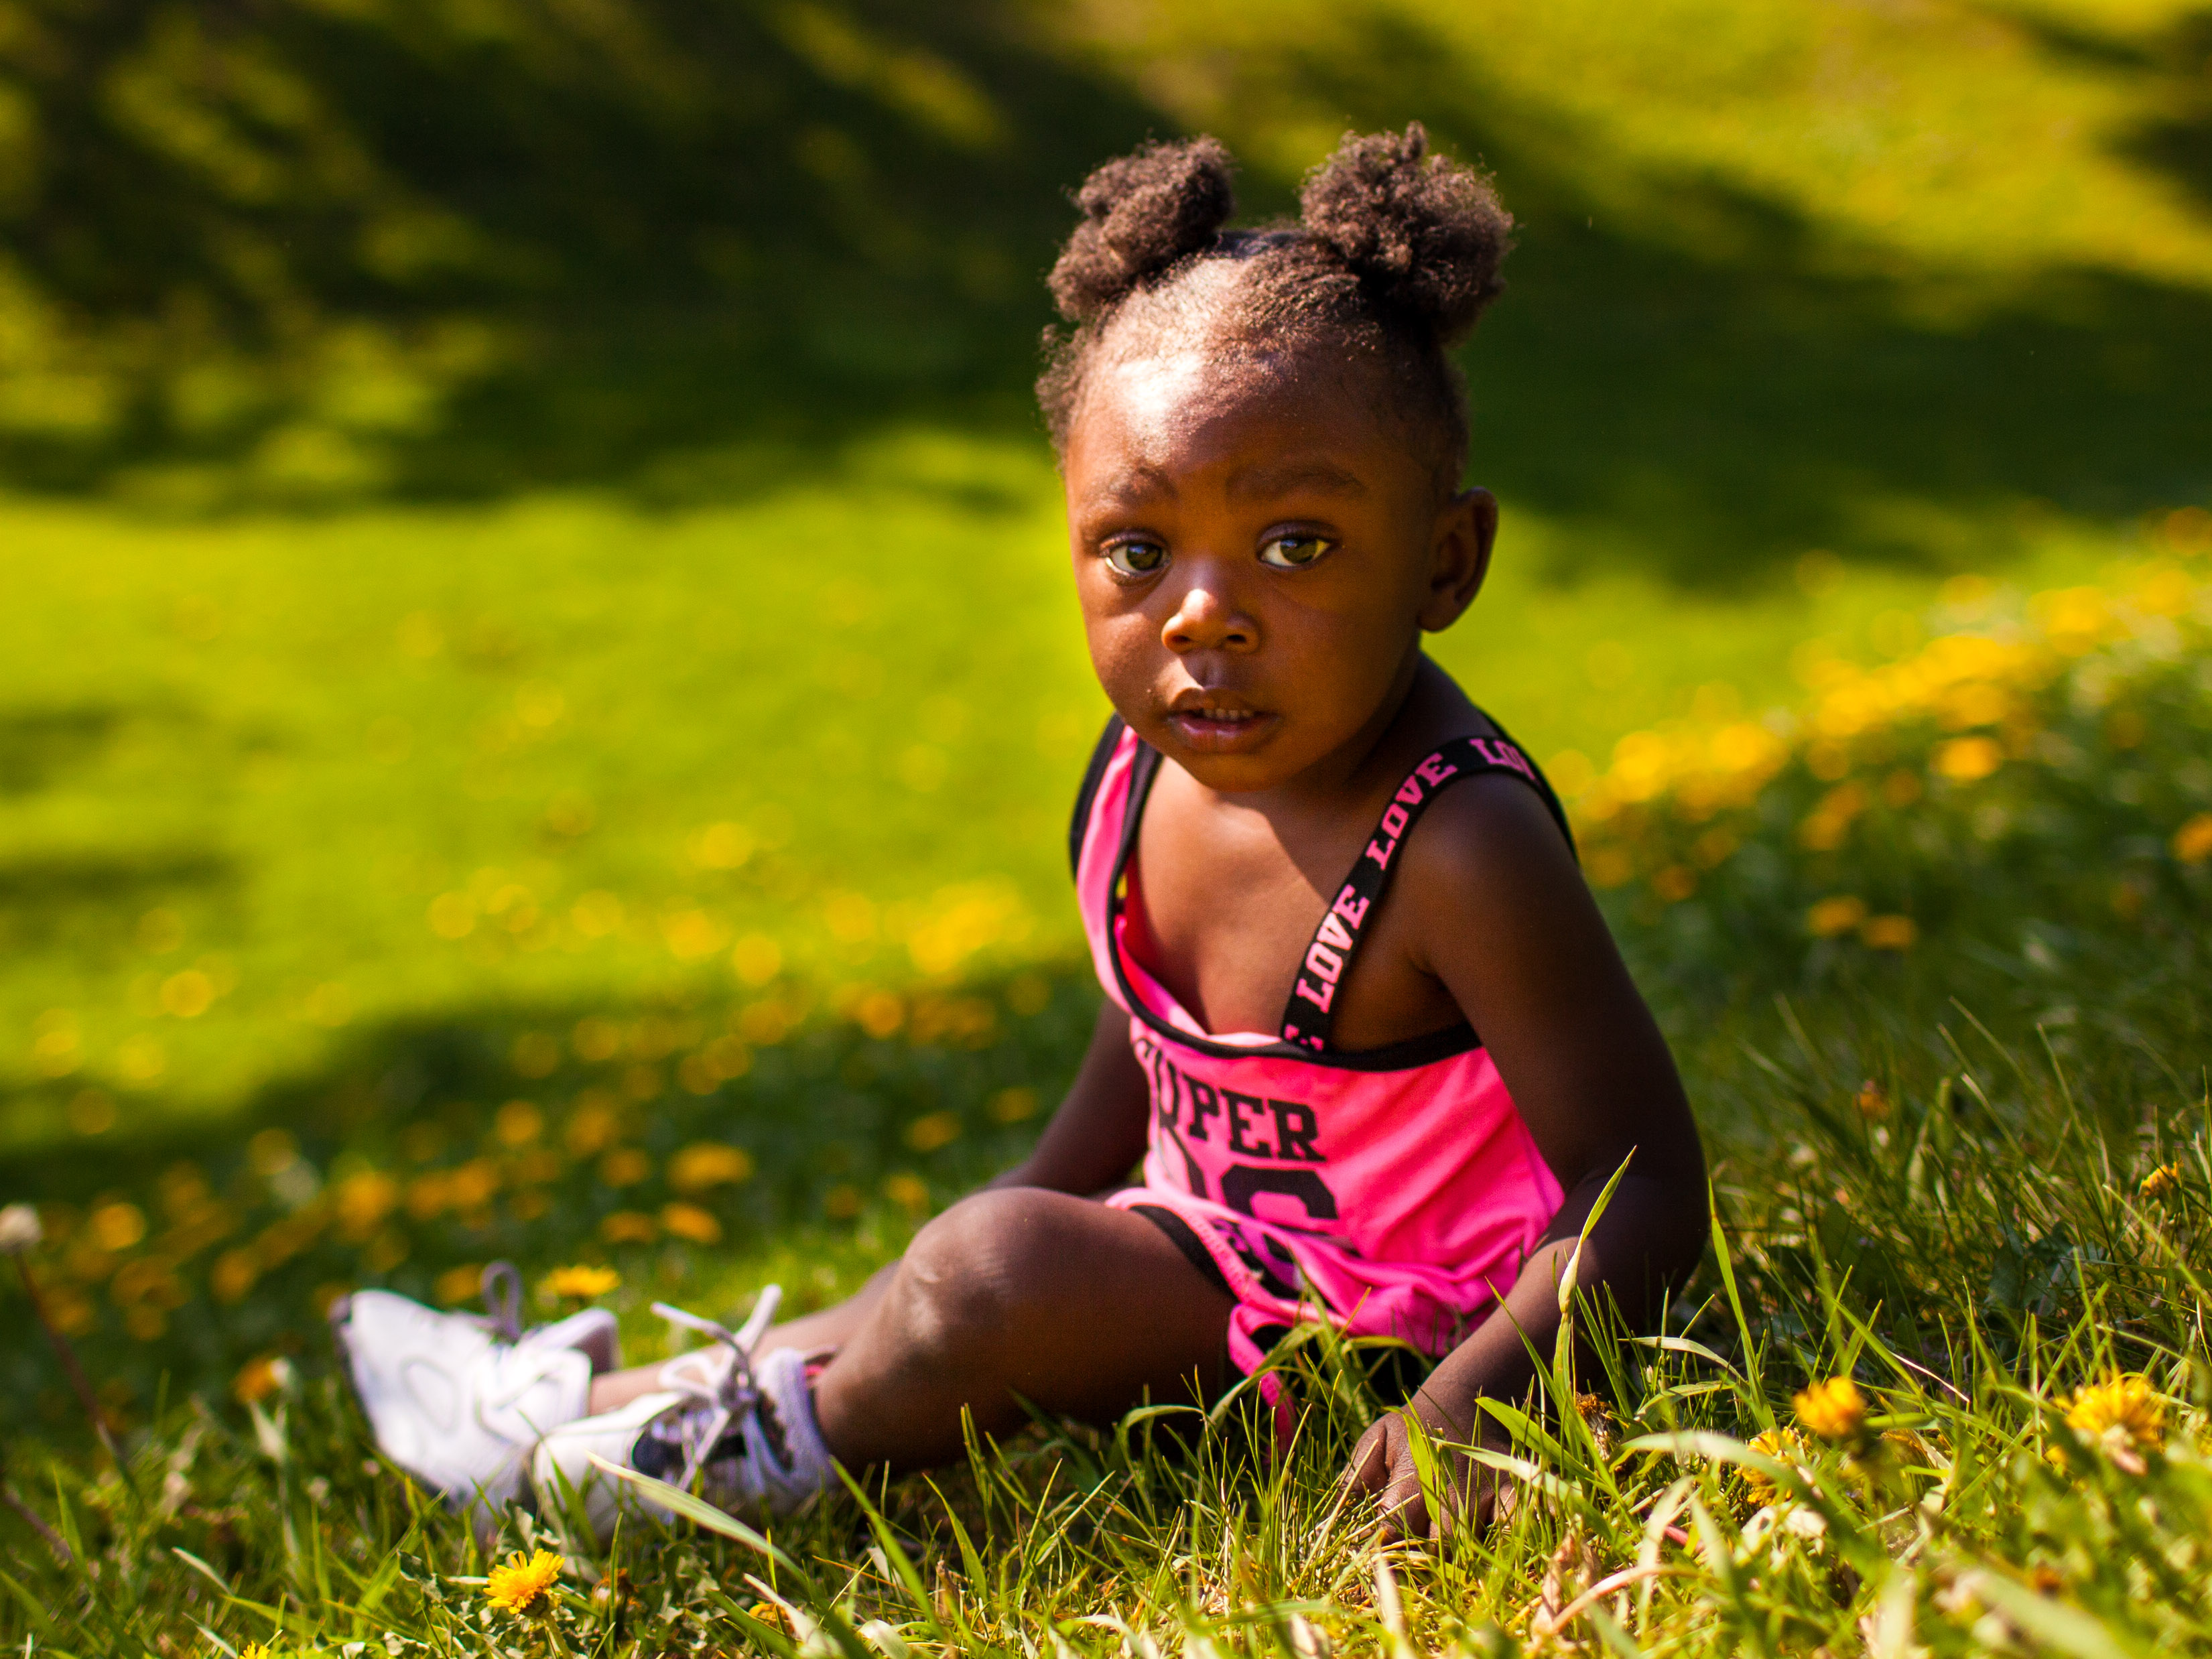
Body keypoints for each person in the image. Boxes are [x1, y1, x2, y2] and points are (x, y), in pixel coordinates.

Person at [332, 123, 1706, 1542]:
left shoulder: (1454, 843)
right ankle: (611, 1398)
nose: (1201, 611)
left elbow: (1645, 1186)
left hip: (1404, 1338)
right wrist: (933, 1277)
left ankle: (679, 1480)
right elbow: (1132, 1107)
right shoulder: (1134, 784)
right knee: (961, 1262)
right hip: (1221, 1274)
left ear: (1443, 560)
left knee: (986, 1269)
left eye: (1296, 544)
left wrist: (1480, 1394)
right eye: (1136, 550)